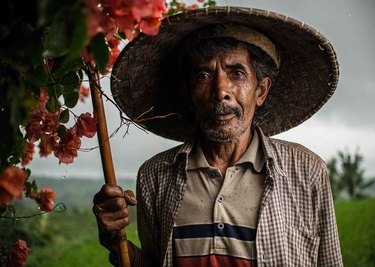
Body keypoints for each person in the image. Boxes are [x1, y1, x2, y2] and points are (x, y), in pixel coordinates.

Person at [93, 6, 343, 267]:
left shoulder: (306, 171)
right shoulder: (155, 176)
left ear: (261, 91)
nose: (220, 90)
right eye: (204, 75)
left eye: (237, 73)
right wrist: (114, 240)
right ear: (188, 93)